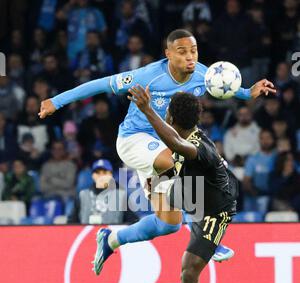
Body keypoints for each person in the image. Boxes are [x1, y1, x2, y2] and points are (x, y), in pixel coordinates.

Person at [38, 29, 276, 267]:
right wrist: (56, 102)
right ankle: (207, 236)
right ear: (168, 54)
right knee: (182, 160)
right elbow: (100, 84)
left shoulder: (203, 75)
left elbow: (224, 88)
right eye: (182, 52)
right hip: (134, 140)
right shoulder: (147, 76)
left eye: (193, 51)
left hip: (164, 146)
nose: (190, 57)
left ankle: (111, 240)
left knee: (168, 223)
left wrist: (248, 93)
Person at [127, 86, 239, 283]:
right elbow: (172, 144)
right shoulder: (182, 135)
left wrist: (146, 110)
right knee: (163, 191)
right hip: (195, 191)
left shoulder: (196, 147)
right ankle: (211, 244)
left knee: (189, 271)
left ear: (169, 115)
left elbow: (178, 147)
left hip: (217, 210)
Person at [68, 159, 137, 224]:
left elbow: (132, 220)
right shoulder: (82, 195)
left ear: (111, 175)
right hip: (86, 234)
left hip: (112, 235)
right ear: (93, 176)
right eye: (98, 173)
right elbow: (71, 222)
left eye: (105, 173)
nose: (101, 176)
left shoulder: (121, 196)